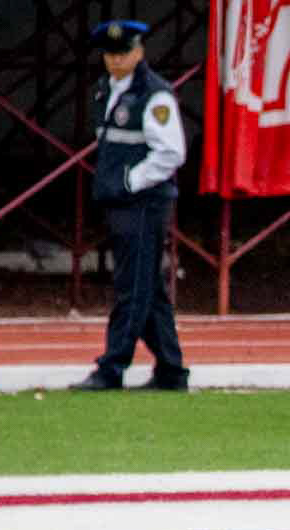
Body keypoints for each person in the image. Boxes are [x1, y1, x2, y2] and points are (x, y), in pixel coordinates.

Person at [72, 19, 190, 392]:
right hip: (120, 203)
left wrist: (130, 181)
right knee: (148, 289)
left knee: (132, 288)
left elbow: (171, 153)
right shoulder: (104, 89)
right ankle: (171, 371)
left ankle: (112, 367)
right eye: (110, 54)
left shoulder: (154, 95)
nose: (116, 60)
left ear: (139, 52)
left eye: (123, 53)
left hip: (144, 203)